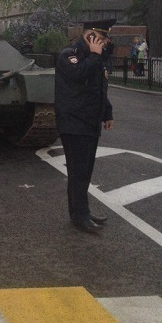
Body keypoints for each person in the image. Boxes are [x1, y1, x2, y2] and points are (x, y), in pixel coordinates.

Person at [55, 18, 115, 234]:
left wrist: (107, 113)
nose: (105, 42)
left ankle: (83, 211)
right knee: (78, 172)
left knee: (85, 171)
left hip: (90, 122)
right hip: (74, 122)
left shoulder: (94, 58)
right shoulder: (69, 55)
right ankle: (79, 215)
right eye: (101, 37)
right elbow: (79, 74)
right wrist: (95, 56)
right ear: (89, 35)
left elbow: (100, 88)